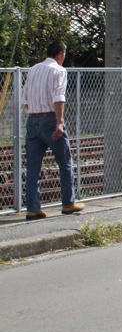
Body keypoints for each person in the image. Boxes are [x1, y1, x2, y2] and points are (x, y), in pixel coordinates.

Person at [23, 40, 84, 220]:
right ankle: (68, 203)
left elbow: (25, 98)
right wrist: (59, 121)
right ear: (60, 54)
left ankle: (33, 209)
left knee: (33, 168)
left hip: (32, 120)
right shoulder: (59, 70)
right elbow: (59, 97)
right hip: (50, 120)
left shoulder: (33, 69)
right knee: (64, 162)